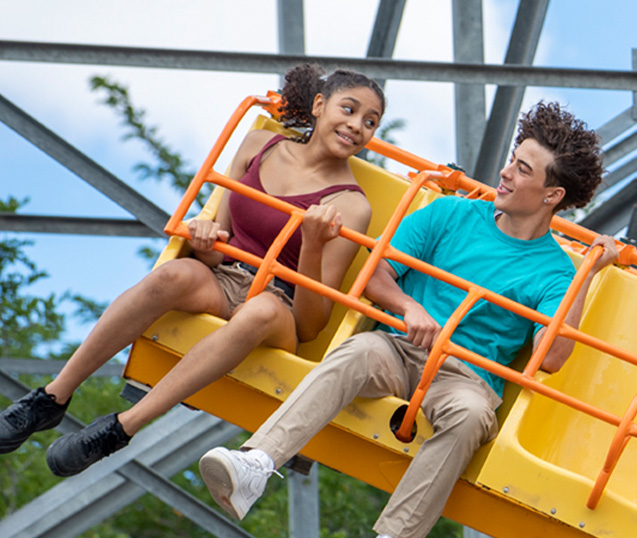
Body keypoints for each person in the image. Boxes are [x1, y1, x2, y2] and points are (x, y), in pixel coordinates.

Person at [197, 100, 616, 538]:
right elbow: (375, 273)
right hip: (402, 347)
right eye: (511, 159)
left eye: (521, 169)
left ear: (552, 195)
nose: (504, 173)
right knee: (355, 354)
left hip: (467, 376)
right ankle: (255, 465)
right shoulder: (451, 212)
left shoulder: (554, 270)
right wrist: (408, 307)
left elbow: (551, 357)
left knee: (470, 415)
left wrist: (588, 273)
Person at [0, 64, 385, 476]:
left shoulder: (352, 206)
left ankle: (120, 429)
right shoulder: (259, 144)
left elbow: (311, 325)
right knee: (171, 276)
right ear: (320, 105)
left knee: (259, 310)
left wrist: (311, 246)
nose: (356, 126)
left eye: (370, 122)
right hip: (225, 277)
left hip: (278, 307)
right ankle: (50, 399)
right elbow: (220, 240)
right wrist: (205, 239)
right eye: (348, 110)